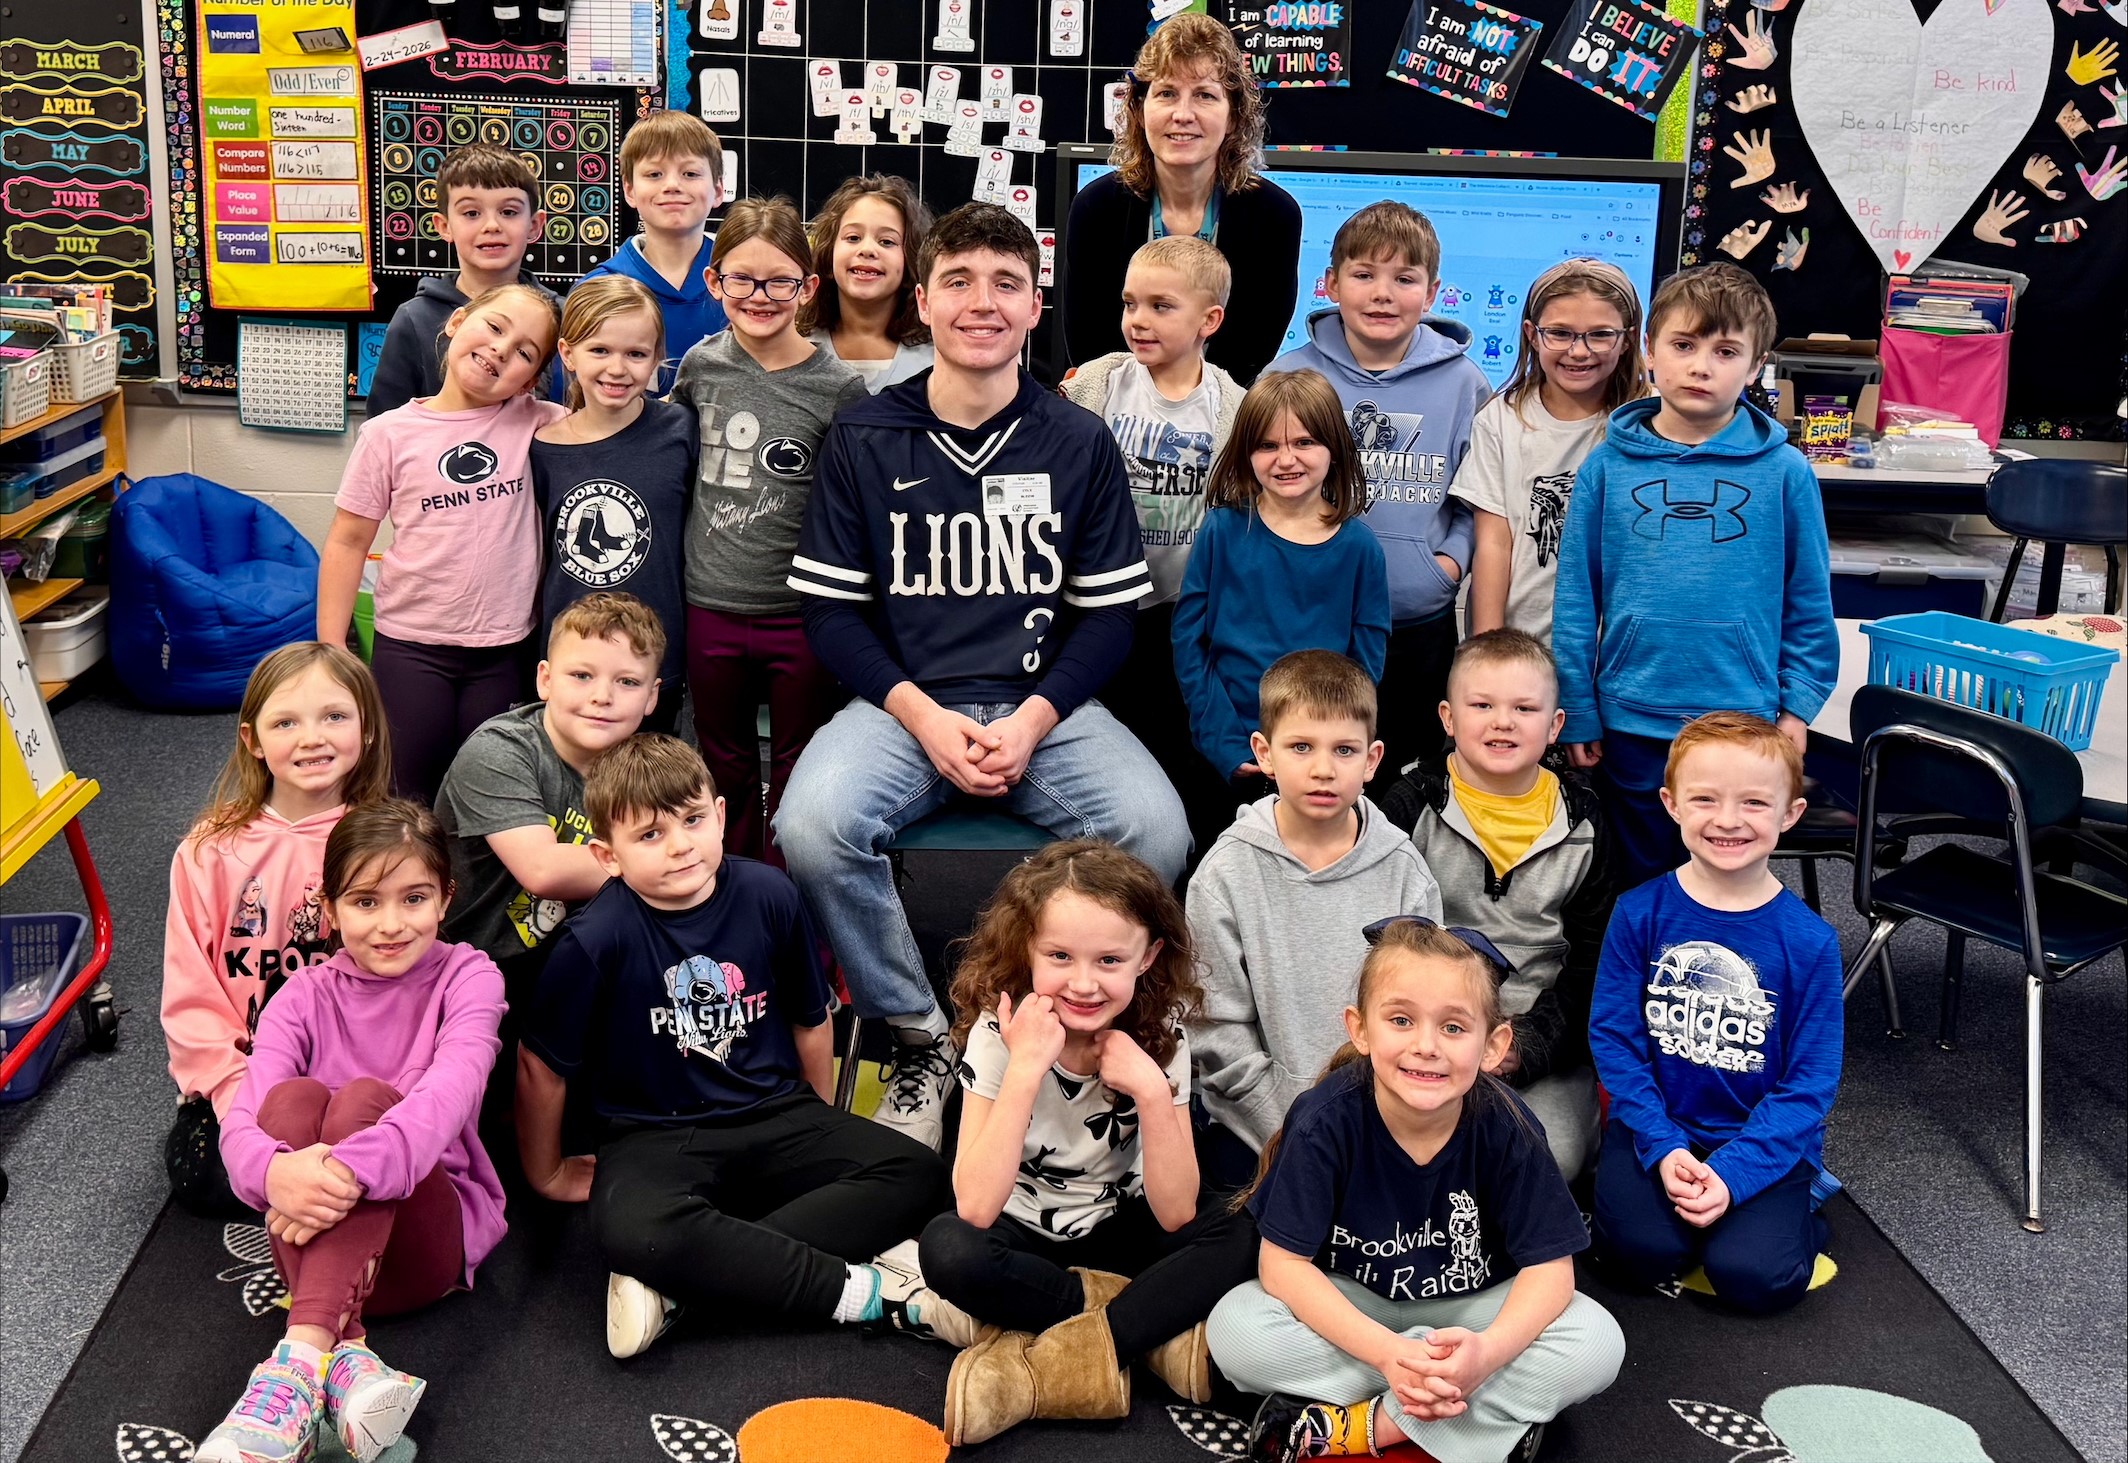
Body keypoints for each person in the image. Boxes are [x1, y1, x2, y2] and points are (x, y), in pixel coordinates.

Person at [777, 203, 1190, 1152]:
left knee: (1158, 834)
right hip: (906, 703)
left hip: (1045, 707)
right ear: (922, 300)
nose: (983, 302)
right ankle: (918, 1031)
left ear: (1037, 305)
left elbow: (1106, 615)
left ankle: (1060, 1033)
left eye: (1007, 283)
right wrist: (921, 716)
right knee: (811, 826)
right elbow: (832, 616)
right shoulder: (867, 432)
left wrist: (1036, 720)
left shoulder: (1075, 438)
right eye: (959, 281)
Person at [514, 735, 950, 1357]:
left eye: (692, 821)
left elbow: (810, 1020)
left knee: (919, 1174)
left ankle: (683, 1290)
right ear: (607, 856)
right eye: (650, 835)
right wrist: (547, 1171)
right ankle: (861, 1293)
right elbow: (539, 1065)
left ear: (720, 815)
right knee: (634, 1233)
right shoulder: (594, 939)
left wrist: (817, 1119)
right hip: (655, 1135)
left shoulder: (770, 895)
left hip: (776, 1113)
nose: (681, 845)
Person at [1206, 919, 1625, 1463]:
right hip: (1357, 1308)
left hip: (1471, 1313)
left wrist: (1487, 1353)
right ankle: (1484, 1420)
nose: (1426, 1046)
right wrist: (1388, 1354)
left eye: (1453, 1028)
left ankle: (1368, 1427)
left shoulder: (1511, 1126)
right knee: (1236, 1330)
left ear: (1494, 1045)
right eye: (1401, 1020)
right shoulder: (1323, 1121)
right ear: (1360, 1029)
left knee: (1596, 1340)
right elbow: (1283, 1266)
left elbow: (1551, 1271)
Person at [919, 842, 1261, 1445]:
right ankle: (1141, 1333)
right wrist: (1026, 1069)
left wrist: (1154, 1094)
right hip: (1019, 1237)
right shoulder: (1002, 1035)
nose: (1084, 982)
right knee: (947, 1250)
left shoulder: (1162, 1037)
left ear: (1148, 956)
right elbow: (974, 1206)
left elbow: (1177, 1211)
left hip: (1118, 1226)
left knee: (1244, 1227)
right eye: (1059, 955)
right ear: (1027, 949)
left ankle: (1053, 1351)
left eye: (1109, 960)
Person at [195, 801, 506, 1463]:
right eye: (366, 901)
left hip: (425, 1243)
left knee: (363, 1098)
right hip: (319, 1249)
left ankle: (300, 1357)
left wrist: (339, 1169)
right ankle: (350, 1361)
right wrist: (276, 1172)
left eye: (414, 897)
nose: (391, 923)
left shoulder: (470, 976)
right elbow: (244, 1124)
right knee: (296, 1098)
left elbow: (445, 1099)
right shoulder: (302, 992)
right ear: (330, 910)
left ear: (445, 898)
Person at [1552, 263, 1837, 887]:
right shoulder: (1606, 466)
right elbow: (1576, 598)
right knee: (1639, 880)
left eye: (1725, 350)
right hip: (1632, 718)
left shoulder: (1786, 472)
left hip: (1743, 719)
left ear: (1756, 366)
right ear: (1650, 352)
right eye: (1683, 346)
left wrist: (1797, 710)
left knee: (1727, 876)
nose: (1700, 365)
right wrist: (1578, 707)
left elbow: (1809, 602)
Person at [1588, 711, 1842, 1315]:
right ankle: (1694, 1209)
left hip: (1761, 1141)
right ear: (1672, 805)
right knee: (1635, 1257)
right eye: (1705, 799)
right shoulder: (1638, 913)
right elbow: (1615, 1041)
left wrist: (1733, 1174)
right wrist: (1664, 1146)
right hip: (1659, 1129)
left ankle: (1799, 1207)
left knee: (1754, 1280)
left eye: (1755, 803)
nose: (1728, 820)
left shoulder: (1810, 942)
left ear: (1790, 815)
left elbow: (1810, 1084)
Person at [1188, 650, 1441, 1183]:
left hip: (1385, 1120)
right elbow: (1217, 1033)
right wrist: (1300, 1132)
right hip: (1259, 1125)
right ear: (1265, 753)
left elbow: (1424, 1016)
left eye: (1344, 750)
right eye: (1301, 747)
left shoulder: (1405, 872)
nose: (1323, 769)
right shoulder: (1224, 875)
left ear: (1373, 761)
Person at [162, 643, 391, 1218]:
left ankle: (309, 1199)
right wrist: (239, 1101)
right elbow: (191, 1002)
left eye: (334, 717)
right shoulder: (207, 852)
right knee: (202, 1176)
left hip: (356, 1085)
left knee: (386, 1158)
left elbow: (407, 983)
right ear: (253, 741)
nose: (312, 737)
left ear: (365, 731)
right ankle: (308, 1197)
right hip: (246, 1083)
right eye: (286, 722)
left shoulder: (389, 844)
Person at [1377, 630, 1613, 1181]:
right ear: (1448, 717)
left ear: (1555, 725)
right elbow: (1381, 939)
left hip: (1536, 1033)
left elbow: (1593, 962)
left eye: (1524, 708)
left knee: (1551, 1159)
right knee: (1401, 1152)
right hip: (1428, 1025)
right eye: (1481, 705)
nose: (1502, 721)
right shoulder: (1411, 804)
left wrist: (1527, 1047)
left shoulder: (1585, 821)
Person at [317, 282, 567, 803]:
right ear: (456, 323)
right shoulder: (387, 435)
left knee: (492, 794)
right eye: (495, 327)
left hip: (504, 651)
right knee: (405, 793)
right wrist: (332, 646)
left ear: (531, 381)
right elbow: (347, 542)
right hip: (412, 647)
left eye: (524, 352)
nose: (501, 349)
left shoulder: (543, 424)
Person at [674, 197, 868, 866]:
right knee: (722, 760)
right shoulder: (698, 368)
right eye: (741, 279)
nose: (759, 297)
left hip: (799, 615)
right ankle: (731, 884)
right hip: (711, 605)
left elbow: (853, 506)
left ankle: (788, 895)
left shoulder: (839, 387)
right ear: (713, 280)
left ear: (809, 287)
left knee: (797, 763)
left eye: (779, 281)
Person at [1270, 202, 1490, 779]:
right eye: (1364, 275)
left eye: (1404, 279)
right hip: (1312, 622)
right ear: (1332, 283)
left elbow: (1480, 500)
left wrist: (1447, 564)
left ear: (1434, 291)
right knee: (1315, 776)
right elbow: (1257, 489)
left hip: (1418, 626)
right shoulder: (1289, 377)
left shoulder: (1466, 383)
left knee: (1401, 779)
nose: (1383, 294)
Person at [1060, 235, 1242, 856]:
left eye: (1161, 306)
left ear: (1209, 320)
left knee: (1175, 749)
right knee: (1104, 747)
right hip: (1100, 606)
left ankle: (1179, 881)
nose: (1138, 319)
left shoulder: (1232, 407)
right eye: (1130, 303)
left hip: (1180, 612)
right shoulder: (1097, 385)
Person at [1171, 369, 1389, 808]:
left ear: (1334, 448)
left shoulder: (1361, 548)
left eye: (1304, 442)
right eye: (1268, 445)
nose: (1286, 459)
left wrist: (1332, 750)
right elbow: (1189, 644)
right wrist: (1225, 742)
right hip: (1231, 753)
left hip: (1320, 764)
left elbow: (1366, 667)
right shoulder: (1222, 530)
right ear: (1247, 453)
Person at [434, 592, 660, 1006]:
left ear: (652, 696)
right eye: (581, 675)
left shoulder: (646, 766)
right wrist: (678, 864)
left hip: (575, 967)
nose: (602, 696)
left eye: (627, 681)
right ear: (545, 679)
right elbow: (544, 870)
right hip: (471, 972)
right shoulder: (499, 750)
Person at [1062, 11, 1301, 383]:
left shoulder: (1274, 215)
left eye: (1204, 95)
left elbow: (1253, 350)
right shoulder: (1096, 208)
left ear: (1234, 115)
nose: (1182, 114)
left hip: (1225, 413)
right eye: (1167, 93)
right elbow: (1089, 347)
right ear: (1140, 108)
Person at [533, 276, 696, 737]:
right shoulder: (540, 448)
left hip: (654, 662)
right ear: (567, 354)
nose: (618, 369)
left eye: (636, 354)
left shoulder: (682, 429)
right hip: (572, 661)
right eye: (600, 351)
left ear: (657, 359)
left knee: (643, 797)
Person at [1456, 260, 1647, 645]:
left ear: (1627, 339)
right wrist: (1489, 651)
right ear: (1531, 334)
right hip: (1524, 646)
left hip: (1622, 652)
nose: (1579, 352)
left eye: (1600, 335)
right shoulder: (1501, 421)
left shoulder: (1651, 421)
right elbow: (1494, 544)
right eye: (1560, 333)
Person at [366, 143, 559, 419]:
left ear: (534, 225)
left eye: (509, 212)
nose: (491, 225)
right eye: (471, 213)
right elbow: (385, 427)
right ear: (444, 226)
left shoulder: (561, 316)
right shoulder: (413, 319)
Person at [576, 110, 728, 393]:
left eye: (690, 173)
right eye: (654, 174)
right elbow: (575, 401)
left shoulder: (744, 282)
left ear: (718, 190)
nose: (672, 185)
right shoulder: (598, 287)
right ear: (630, 191)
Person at [799, 172, 936, 392]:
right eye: (853, 238)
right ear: (828, 254)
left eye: (887, 241)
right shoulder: (797, 350)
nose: (867, 250)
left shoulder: (937, 360)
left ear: (911, 259)